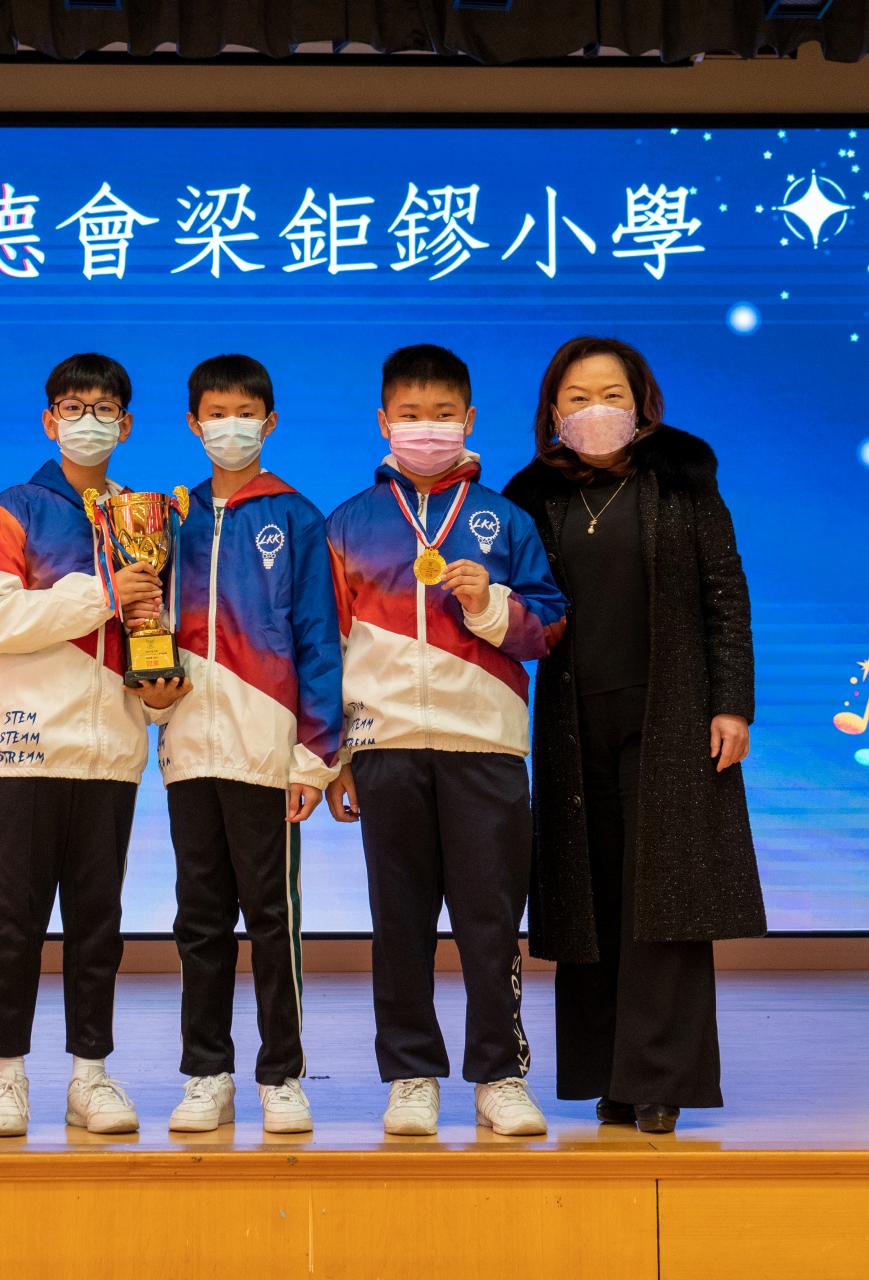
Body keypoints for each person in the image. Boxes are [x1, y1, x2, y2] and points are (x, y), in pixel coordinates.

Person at [503, 336, 765, 1137]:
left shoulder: (683, 479)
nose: (595, 410)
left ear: (642, 403)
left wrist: (732, 705)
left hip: (672, 716)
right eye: (577, 398)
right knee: (592, 899)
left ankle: (659, 1081)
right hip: (572, 720)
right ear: (553, 411)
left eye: (611, 395)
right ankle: (607, 1076)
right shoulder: (532, 497)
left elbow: (725, 592)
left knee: (664, 900)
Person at [323, 344, 567, 1137]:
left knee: (490, 923)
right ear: (383, 421)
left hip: (485, 748)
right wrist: (334, 759)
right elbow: (327, 646)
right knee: (398, 923)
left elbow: (548, 626)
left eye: (442, 415)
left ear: (469, 419)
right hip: (385, 747)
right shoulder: (350, 524)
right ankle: (411, 1076)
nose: (426, 428)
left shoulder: (506, 519)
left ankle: (499, 1075)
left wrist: (490, 604)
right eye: (410, 415)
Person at [124, 354, 342, 1135]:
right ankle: (205, 1074)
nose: (231, 428)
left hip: (266, 753)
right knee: (200, 922)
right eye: (217, 414)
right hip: (190, 753)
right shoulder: (167, 520)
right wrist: (152, 701)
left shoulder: (297, 517)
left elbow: (320, 642)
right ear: (193, 423)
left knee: (272, 920)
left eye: (245, 414)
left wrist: (314, 760)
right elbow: (148, 629)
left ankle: (282, 1076)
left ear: (269, 422)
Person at [0, 352, 164, 1139]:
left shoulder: (146, 518)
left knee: (97, 926)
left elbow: (157, 629)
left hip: (112, 750)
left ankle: (91, 1074)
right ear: (50, 420)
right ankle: (5, 1076)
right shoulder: (13, 510)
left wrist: (159, 693)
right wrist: (101, 595)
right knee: (16, 921)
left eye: (104, 408)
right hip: (29, 746)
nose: (90, 421)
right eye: (74, 408)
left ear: (126, 423)